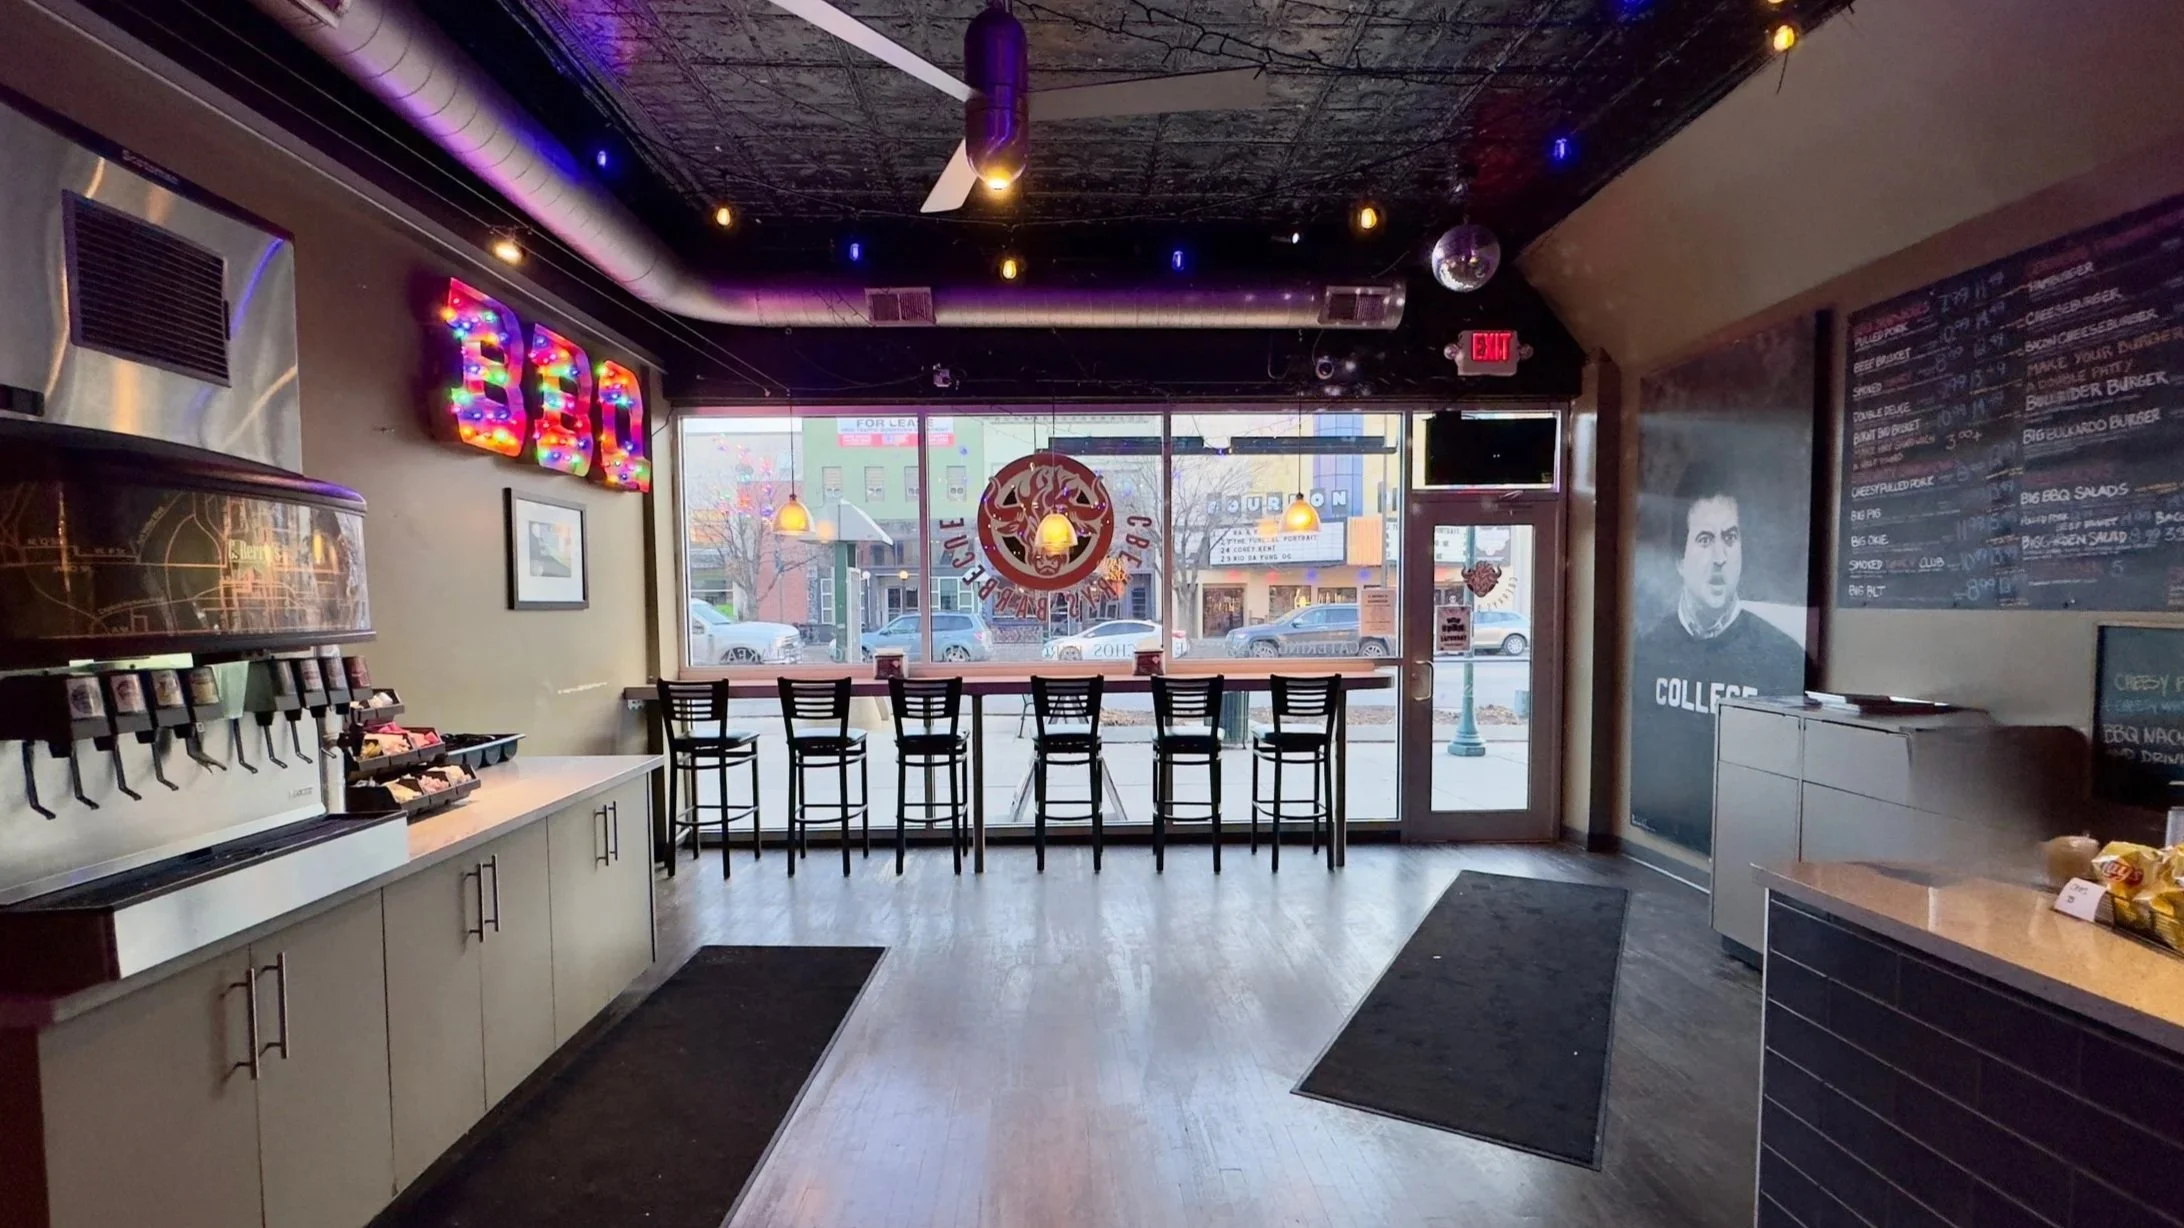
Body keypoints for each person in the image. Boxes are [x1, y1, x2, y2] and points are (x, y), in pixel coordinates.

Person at [1629, 463, 1806, 853]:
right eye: (1705, 540)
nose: (1720, 557)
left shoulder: (1784, 659)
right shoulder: (1648, 651)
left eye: (1730, 537)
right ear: (1679, 558)